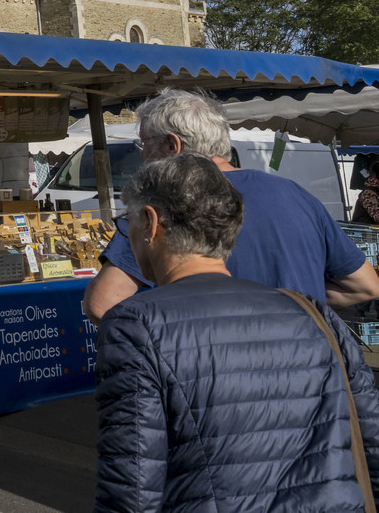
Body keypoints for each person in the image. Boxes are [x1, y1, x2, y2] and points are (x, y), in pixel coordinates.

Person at [96, 154, 379, 509]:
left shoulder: (136, 324)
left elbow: (132, 486)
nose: (130, 235)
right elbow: (371, 442)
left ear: (151, 223)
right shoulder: (313, 312)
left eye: (128, 223)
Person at [83, 88, 379, 322]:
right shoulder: (295, 194)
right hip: (310, 374)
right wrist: (288, 302)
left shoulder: (160, 203)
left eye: (144, 143)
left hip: (214, 377)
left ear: (173, 146)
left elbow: (103, 304)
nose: (143, 155)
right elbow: (364, 285)